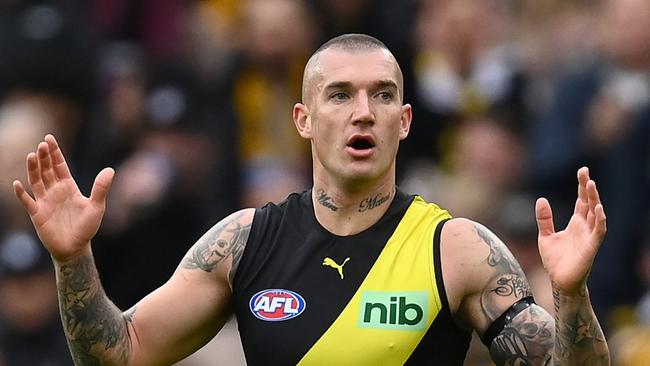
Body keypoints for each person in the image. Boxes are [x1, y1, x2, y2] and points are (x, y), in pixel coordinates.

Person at [12, 34, 609, 365]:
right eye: (341, 94)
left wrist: (573, 293)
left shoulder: (455, 248)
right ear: (303, 118)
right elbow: (120, 356)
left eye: (381, 97)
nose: (362, 113)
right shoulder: (244, 242)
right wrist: (72, 261)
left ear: (404, 122)